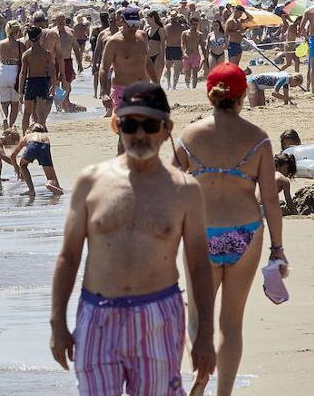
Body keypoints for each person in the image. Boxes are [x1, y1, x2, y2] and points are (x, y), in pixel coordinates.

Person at [49, 82, 216, 396]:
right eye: (130, 124)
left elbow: (199, 267)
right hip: (96, 314)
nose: (139, 135)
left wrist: (204, 334)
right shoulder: (91, 182)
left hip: (158, 316)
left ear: (166, 129)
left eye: (149, 125)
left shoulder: (185, 191)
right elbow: (68, 258)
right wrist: (57, 322)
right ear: (117, 125)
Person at [170, 64, 287, 396]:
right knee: (232, 324)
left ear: (210, 93)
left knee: (198, 316)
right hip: (246, 232)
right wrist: (277, 248)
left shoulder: (190, 136)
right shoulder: (258, 138)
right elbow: (270, 200)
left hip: (201, 232)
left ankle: (201, 369)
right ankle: (223, 393)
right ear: (241, 96)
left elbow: (170, 187)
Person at [98, 8, 154, 134]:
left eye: (136, 25)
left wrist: (156, 84)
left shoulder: (142, 36)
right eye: (130, 25)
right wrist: (103, 92)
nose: (133, 28)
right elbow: (104, 67)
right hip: (122, 91)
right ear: (121, 22)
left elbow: (148, 61)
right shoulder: (114, 42)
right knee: (124, 133)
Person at [7, 123, 65, 197]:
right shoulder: (45, 136)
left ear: (30, 130)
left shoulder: (28, 136)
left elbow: (12, 155)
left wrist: (16, 168)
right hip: (45, 145)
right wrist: (58, 186)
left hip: (33, 145)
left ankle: (31, 191)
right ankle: (50, 184)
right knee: (50, 177)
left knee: (23, 166)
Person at [19, 25, 57, 131]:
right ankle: (40, 136)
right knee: (40, 113)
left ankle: (24, 136)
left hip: (30, 82)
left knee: (27, 113)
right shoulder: (46, 54)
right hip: (42, 82)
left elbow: (23, 73)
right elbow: (52, 71)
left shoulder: (26, 54)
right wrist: (53, 85)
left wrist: (20, 92)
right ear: (40, 37)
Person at [0, 21, 24, 128]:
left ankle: (4, 119)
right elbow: (23, 60)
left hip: (2, 72)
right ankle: (11, 127)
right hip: (15, 72)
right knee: (15, 104)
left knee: (3, 103)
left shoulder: (1, 43)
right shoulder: (20, 45)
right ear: (18, 32)